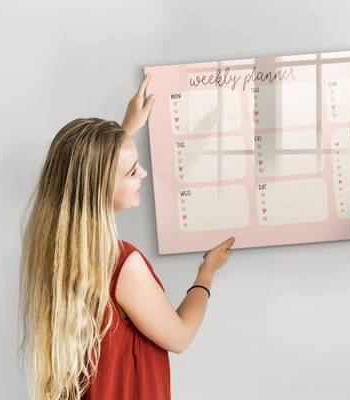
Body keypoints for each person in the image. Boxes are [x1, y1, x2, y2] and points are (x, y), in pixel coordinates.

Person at [20, 74, 235, 400]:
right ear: (101, 186)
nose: (143, 174)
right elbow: (180, 337)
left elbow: (88, 172)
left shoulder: (52, 248)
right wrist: (206, 273)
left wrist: (125, 130)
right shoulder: (122, 265)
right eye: (133, 171)